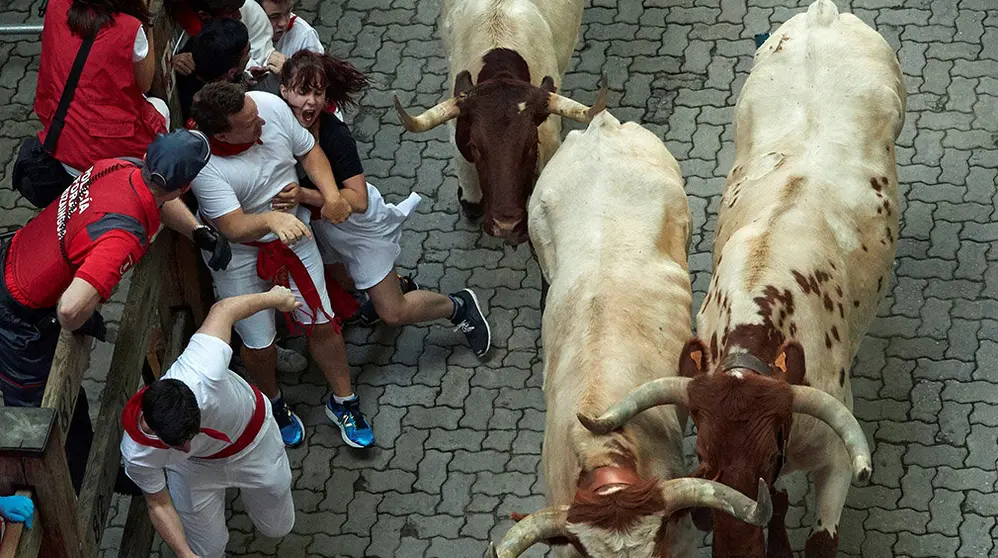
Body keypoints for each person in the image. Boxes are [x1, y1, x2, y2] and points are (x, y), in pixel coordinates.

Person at [0, 130, 229, 493]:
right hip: (20, 317)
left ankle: (86, 472)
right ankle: (60, 498)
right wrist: (82, 316)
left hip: (17, 255)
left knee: (72, 406)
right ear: (186, 186)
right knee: (38, 421)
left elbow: (157, 198)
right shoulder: (122, 238)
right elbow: (70, 309)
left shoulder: (118, 167)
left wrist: (198, 231)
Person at [188, 81, 373, 449]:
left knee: (322, 320)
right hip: (242, 256)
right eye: (249, 122)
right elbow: (232, 225)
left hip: (295, 235)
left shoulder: (266, 106)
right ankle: (272, 403)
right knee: (259, 345)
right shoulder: (203, 164)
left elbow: (310, 152)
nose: (262, 121)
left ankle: (344, 401)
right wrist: (271, 221)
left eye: (256, 113)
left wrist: (332, 196)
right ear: (223, 133)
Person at [276, 51, 491, 357]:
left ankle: (458, 306)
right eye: (302, 92)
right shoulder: (275, 120)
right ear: (283, 91)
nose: (310, 102)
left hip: (359, 227)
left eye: (318, 92)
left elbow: (358, 200)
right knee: (347, 279)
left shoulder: (335, 136)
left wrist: (303, 196)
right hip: (321, 228)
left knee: (393, 312)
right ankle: (395, 284)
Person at [120, 287, 299, 558]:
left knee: (278, 527)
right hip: (193, 469)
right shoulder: (137, 454)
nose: (187, 445)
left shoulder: (204, 369)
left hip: (253, 443)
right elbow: (157, 503)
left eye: (190, 436)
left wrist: (274, 298)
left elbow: (223, 310)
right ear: (153, 428)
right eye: (178, 443)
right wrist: (183, 553)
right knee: (206, 551)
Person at [35, 0, 170, 181]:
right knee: (160, 106)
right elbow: (145, 83)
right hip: (110, 160)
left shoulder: (55, 4)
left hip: (59, 142)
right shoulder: (129, 28)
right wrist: (146, 19)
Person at [168, 0, 282, 85]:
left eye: (238, 9)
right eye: (230, 12)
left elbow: (261, 59)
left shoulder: (250, 10)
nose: (239, 15)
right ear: (203, 15)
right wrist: (173, 61)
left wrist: (249, 73)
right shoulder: (174, 26)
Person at [176, 17, 251, 120]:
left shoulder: (202, 48)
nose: (249, 56)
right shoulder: (209, 109)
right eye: (247, 52)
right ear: (231, 73)